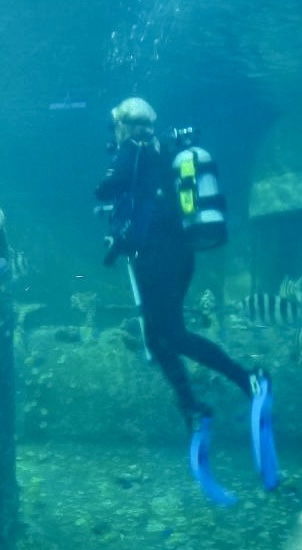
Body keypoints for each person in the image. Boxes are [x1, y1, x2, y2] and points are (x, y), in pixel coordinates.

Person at [94, 97, 275, 499]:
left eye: (116, 127)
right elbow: (146, 210)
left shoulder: (135, 151)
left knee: (170, 336)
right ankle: (192, 406)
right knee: (158, 338)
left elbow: (109, 183)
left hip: (160, 259)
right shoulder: (160, 154)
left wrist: (109, 182)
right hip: (174, 257)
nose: (115, 134)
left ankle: (249, 380)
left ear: (125, 124)